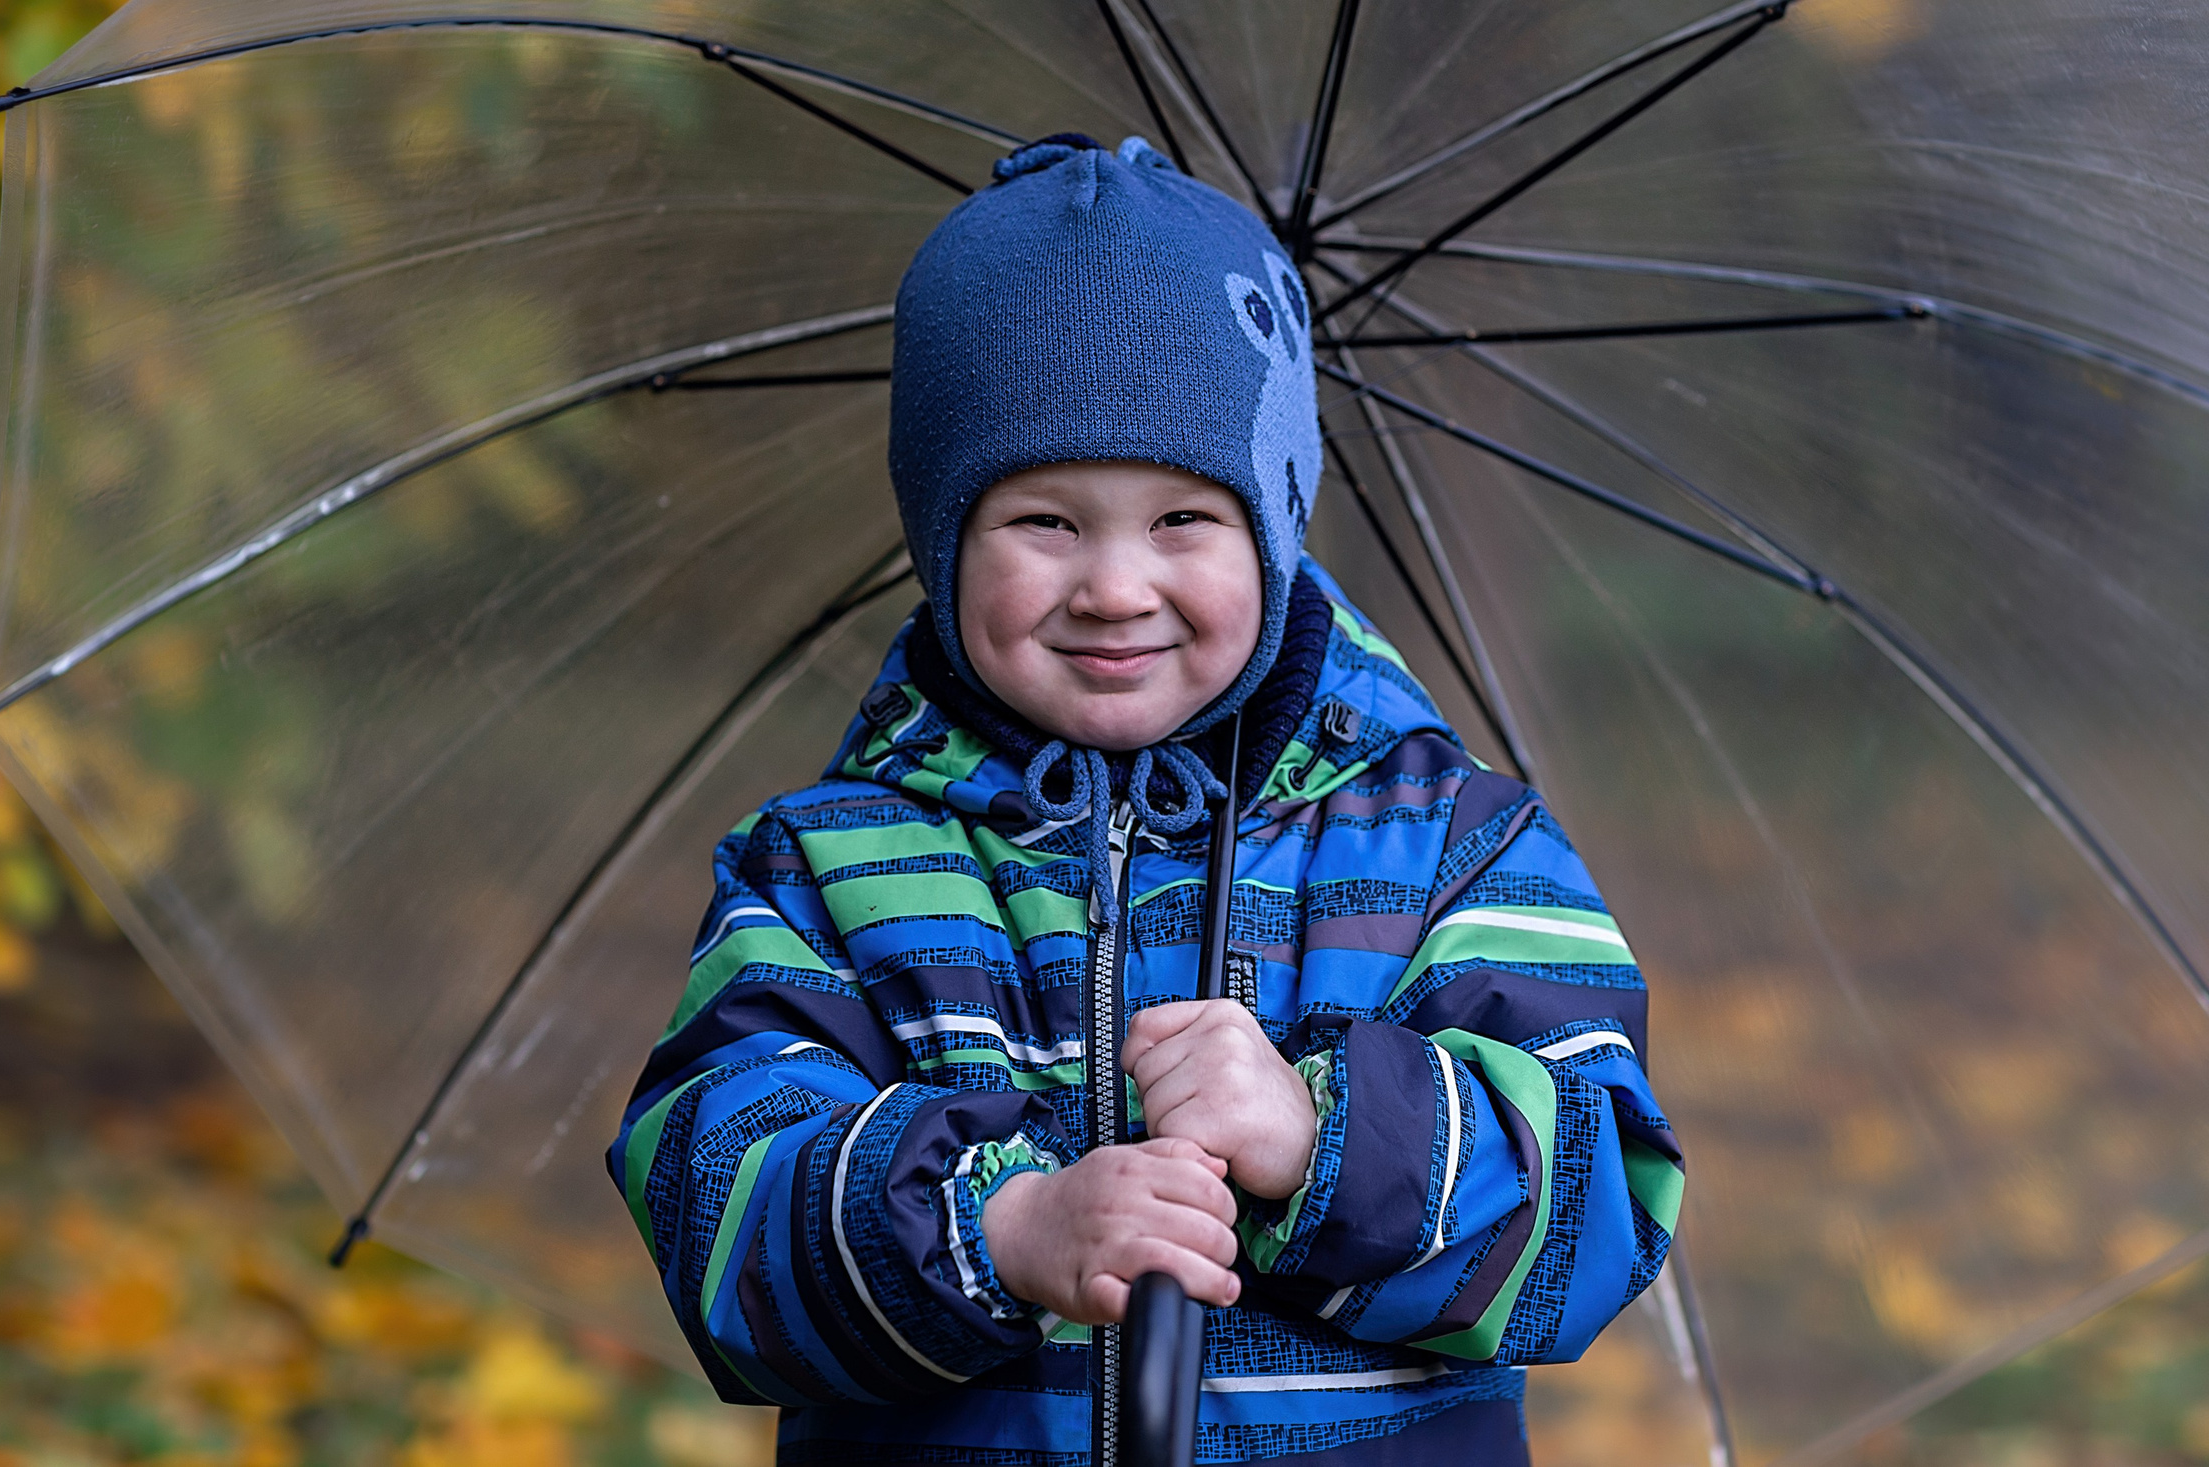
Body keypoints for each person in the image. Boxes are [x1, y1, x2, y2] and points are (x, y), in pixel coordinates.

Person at [608, 134, 1681, 1465]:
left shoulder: (1455, 847)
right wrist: (1001, 1234)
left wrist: (1322, 1138)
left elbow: (1600, 1203)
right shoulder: (831, 872)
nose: (1117, 585)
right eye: (1045, 522)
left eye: (1185, 521)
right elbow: (717, 1204)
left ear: (1277, 531)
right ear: (942, 540)